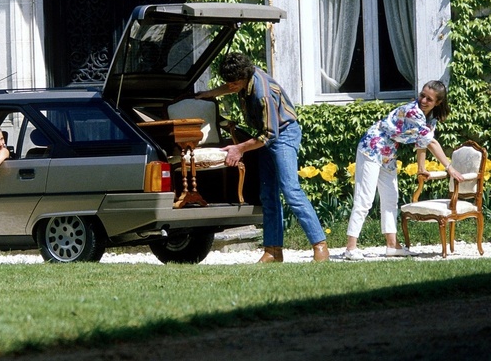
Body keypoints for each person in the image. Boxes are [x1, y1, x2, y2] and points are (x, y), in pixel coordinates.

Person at [196, 52, 329, 263]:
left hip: (282, 135)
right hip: (265, 135)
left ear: (245, 76)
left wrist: (239, 148)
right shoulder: (244, 78)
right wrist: (207, 94)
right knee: (267, 194)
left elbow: (270, 134)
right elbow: (230, 87)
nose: (230, 87)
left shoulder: (262, 94)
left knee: (291, 190)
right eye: (228, 82)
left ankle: (320, 246)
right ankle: (273, 250)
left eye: (234, 83)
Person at [343, 80, 463, 260]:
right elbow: (431, 143)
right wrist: (450, 168)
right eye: (422, 95)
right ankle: (350, 248)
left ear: (437, 102)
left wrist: (421, 167)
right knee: (365, 198)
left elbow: (421, 143)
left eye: (429, 99)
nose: (423, 100)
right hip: (372, 147)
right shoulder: (413, 112)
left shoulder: (430, 118)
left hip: (388, 152)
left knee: (391, 198)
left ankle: (392, 246)